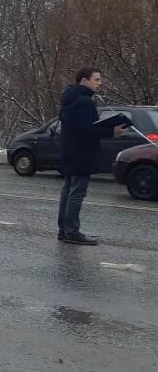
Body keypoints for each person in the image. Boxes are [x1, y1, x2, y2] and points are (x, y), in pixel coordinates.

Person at [57, 67, 126, 245]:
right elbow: (86, 129)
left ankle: (64, 230)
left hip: (70, 150)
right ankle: (71, 231)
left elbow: (77, 126)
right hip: (82, 152)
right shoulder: (84, 101)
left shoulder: (69, 98)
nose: (99, 83)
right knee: (76, 192)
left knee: (68, 190)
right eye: (96, 79)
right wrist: (112, 130)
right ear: (84, 80)